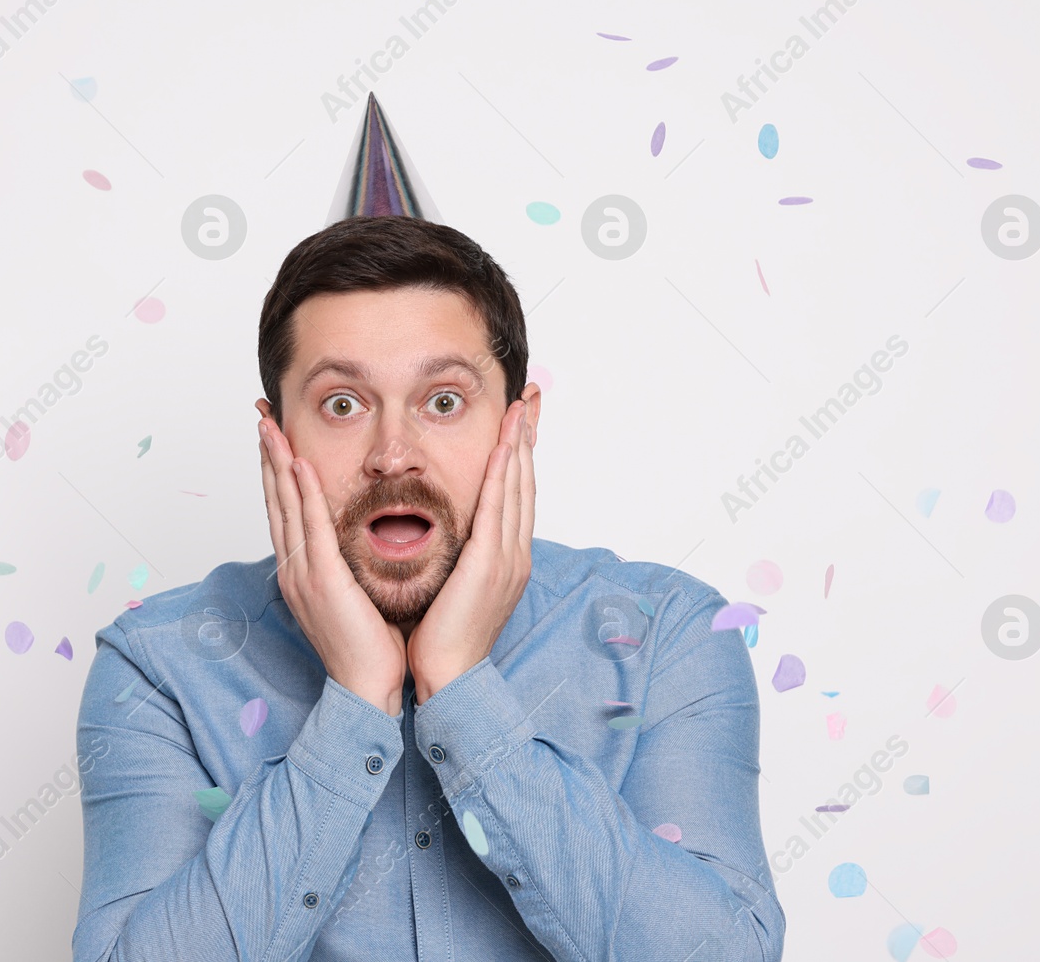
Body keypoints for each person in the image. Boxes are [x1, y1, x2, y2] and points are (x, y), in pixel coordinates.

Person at [71, 98, 784, 962]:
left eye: (443, 400)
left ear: (517, 427)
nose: (392, 452)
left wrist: (461, 689)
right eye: (342, 403)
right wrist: (356, 700)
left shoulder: (666, 633)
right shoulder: (160, 666)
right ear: (276, 437)